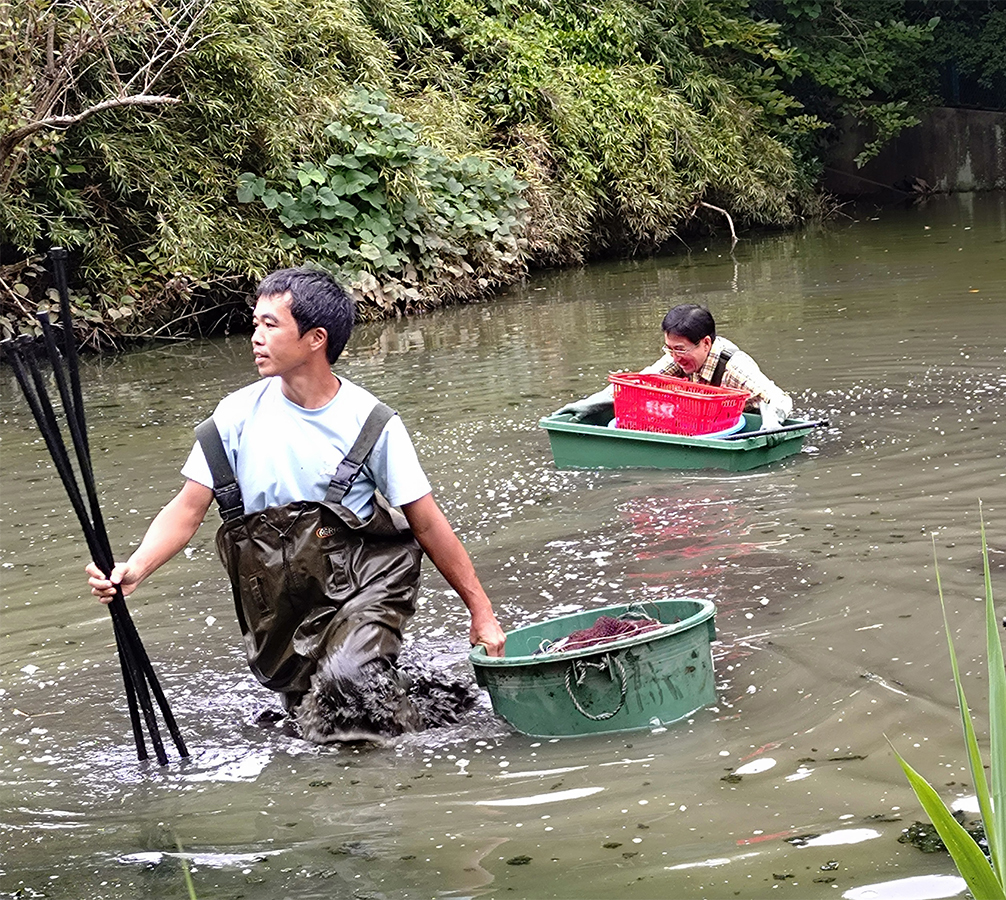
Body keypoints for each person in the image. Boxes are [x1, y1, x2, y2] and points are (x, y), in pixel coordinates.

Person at [87, 267, 507, 740]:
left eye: (271, 324)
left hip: (368, 583)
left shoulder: (371, 423)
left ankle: (400, 783)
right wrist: (135, 570)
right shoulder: (235, 417)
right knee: (316, 721)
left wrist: (481, 612)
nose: (256, 337)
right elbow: (187, 509)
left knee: (349, 680)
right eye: (255, 323)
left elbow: (428, 524)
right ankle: (405, 734)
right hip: (281, 602)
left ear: (315, 339)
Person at [554, 303, 792, 429]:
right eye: (669, 348)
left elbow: (780, 400)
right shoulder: (676, 357)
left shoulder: (735, 366)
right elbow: (642, 384)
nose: (674, 356)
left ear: (706, 343)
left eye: (680, 349)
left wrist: (771, 422)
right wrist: (591, 404)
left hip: (739, 425)